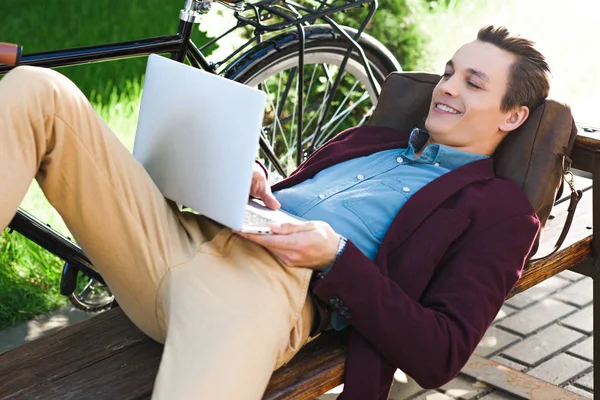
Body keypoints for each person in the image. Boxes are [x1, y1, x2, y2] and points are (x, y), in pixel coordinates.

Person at [0, 24, 550, 399]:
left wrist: (335, 258)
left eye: (472, 83)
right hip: (176, 240)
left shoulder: (499, 211)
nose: (445, 87)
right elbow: (289, 199)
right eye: (449, 71)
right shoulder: (372, 138)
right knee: (39, 89)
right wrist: (249, 184)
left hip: (265, 292)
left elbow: (441, 353)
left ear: (511, 115)